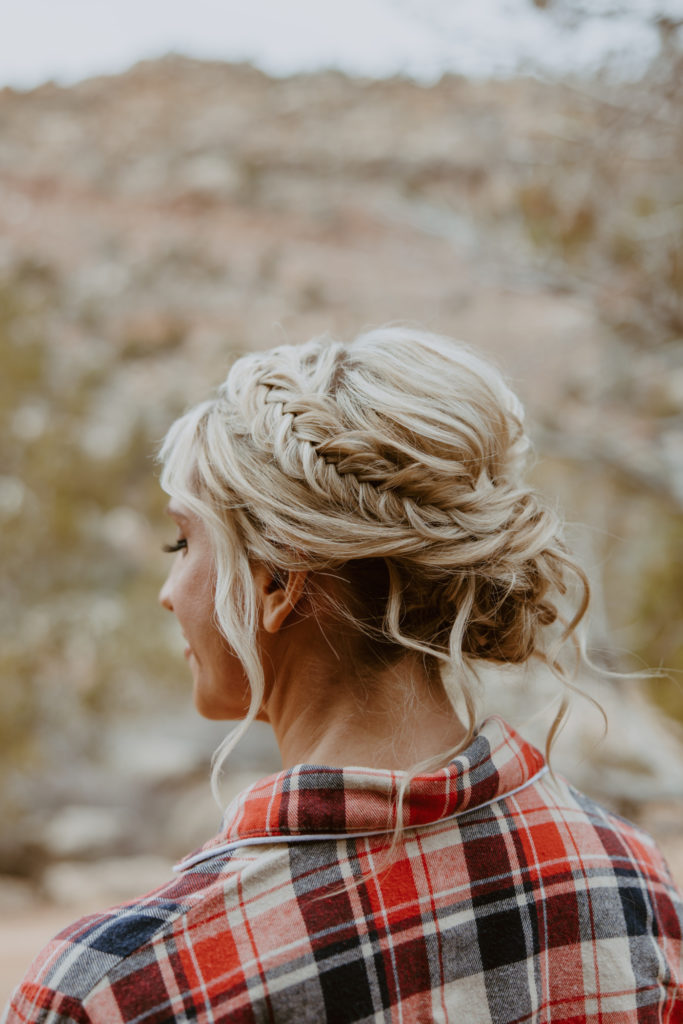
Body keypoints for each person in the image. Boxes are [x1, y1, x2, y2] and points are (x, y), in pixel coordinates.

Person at [4, 328, 682, 1023]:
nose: (168, 591)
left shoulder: (121, 988)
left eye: (184, 541)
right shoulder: (628, 881)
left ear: (277, 580)